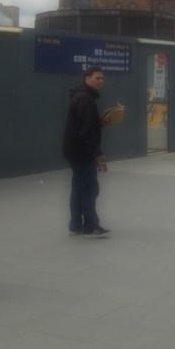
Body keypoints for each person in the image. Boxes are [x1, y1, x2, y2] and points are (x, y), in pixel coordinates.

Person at [63, 66, 111, 237]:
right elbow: (86, 131)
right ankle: (91, 225)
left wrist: (99, 124)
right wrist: (97, 152)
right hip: (82, 151)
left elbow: (85, 125)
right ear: (87, 78)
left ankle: (76, 225)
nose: (101, 81)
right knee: (90, 188)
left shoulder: (81, 96)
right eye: (97, 78)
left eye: (102, 78)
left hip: (75, 150)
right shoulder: (85, 99)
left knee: (78, 188)